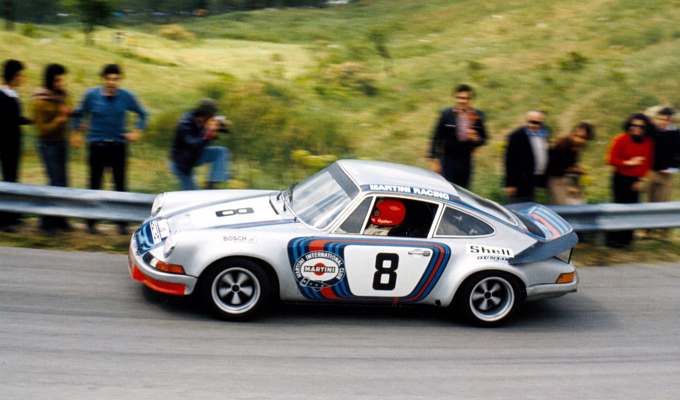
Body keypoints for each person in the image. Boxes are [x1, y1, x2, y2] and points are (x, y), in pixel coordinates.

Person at [72, 64, 147, 235]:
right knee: (94, 184)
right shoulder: (91, 95)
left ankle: (121, 224)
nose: (112, 82)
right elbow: (78, 113)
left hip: (118, 146)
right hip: (97, 146)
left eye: (116, 79)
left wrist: (136, 132)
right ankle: (91, 223)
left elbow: (143, 113)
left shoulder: (127, 96)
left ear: (119, 80)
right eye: (109, 79)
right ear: (103, 79)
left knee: (120, 184)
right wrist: (77, 131)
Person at [32, 63, 73, 236]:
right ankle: (45, 222)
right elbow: (42, 130)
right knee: (54, 183)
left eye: (62, 79)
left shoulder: (60, 96)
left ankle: (59, 218)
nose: (60, 83)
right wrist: (60, 118)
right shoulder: (40, 101)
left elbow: (65, 115)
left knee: (63, 183)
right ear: (49, 80)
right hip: (48, 145)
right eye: (57, 80)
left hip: (60, 143)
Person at [604, 113, 655, 247]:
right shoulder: (621, 139)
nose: (637, 128)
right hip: (620, 178)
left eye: (641, 126)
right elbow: (610, 160)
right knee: (618, 208)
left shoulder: (648, 142)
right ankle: (613, 240)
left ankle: (626, 240)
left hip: (636, 181)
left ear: (646, 128)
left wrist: (642, 181)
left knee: (631, 209)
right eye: (634, 125)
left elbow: (648, 163)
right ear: (629, 126)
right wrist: (629, 163)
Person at [429, 84, 487, 188]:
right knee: (448, 188)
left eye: (466, 98)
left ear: (471, 99)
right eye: (460, 98)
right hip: (448, 159)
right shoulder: (446, 114)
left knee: (464, 190)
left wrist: (476, 139)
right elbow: (436, 137)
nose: (463, 101)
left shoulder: (477, 115)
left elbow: (484, 138)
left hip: (466, 159)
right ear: (455, 98)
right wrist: (434, 160)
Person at [169, 98, 230, 190]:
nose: (214, 116)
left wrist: (220, 125)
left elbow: (221, 132)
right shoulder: (185, 124)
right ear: (206, 114)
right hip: (182, 164)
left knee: (220, 151)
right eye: (212, 115)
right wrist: (209, 131)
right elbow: (194, 145)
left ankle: (211, 185)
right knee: (193, 196)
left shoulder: (201, 120)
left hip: (194, 156)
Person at [0, 60, 30, 233]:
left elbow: (13, 119)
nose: (22, 78)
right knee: (8, 180)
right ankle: (4, 220)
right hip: (5, 144)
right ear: (13, 76)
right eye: (20, 75)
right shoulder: (2, 95)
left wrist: (27, 120)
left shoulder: (12, 94)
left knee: (12, 178)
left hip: (13, 144)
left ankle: (10, 215)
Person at [646, 107, 679, 238]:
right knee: (650, 200)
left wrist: (672, 168)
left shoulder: (676, 133)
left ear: (670, 120)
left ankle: (664, 232)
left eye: (667, 119)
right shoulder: (653, 131)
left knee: (664, 202)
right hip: (652, 171)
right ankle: (647, 231)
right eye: (661, 118)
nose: (663, 121)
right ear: (657, 118)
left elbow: (678, 152)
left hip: (666, 174)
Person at [504, 110, 550, 203]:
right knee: (519, 204)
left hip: (536, 177)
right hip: (521, 180)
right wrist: (511, 184)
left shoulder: (543, 134)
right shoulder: (517, 135)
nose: (536, 125)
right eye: (533, 122)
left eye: (539, 123)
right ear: (526, 121)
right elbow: (510, 160)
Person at [546, 122, 594, 205]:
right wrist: (575, 171)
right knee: (563, 207)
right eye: (576, 135)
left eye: (583, 137)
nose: (578, 139)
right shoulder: (563, 144)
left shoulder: (576, 146)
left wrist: (575, 167)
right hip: (557, 181)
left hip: (570, 181)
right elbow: (554, 168)